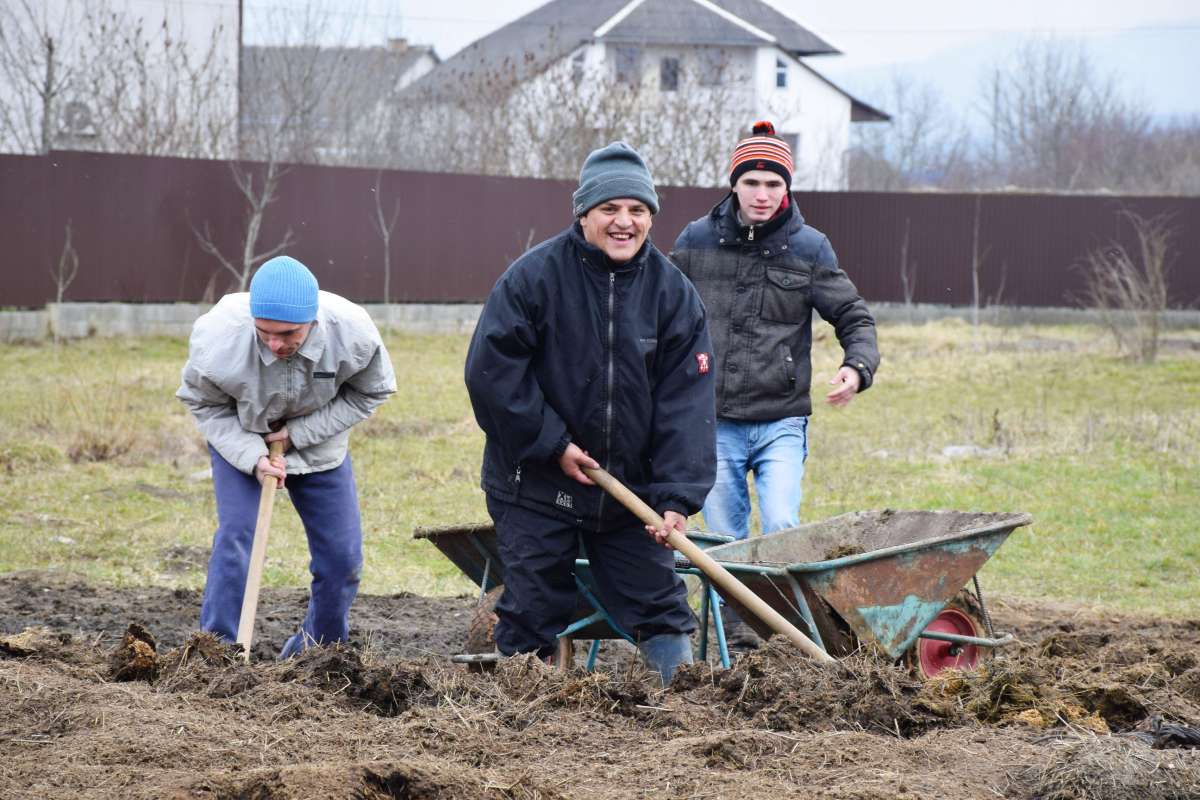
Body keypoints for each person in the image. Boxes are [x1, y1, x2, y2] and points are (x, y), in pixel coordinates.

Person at [464, 141, 716, 685]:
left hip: (629, 491)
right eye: (610, 209)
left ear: (650, 217)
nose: (624, 222)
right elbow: (492, 375)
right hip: (535, 482)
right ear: (584, 214)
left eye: (638, 210)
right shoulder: (532, 280)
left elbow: (687, 402)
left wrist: (674, 497)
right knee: (532, 609)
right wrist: (553, 444)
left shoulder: (673, 295)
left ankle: (688, 712)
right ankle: (520, 720)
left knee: (661, 607)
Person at [670, 121, 879, 648]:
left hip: (781, 418)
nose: (762, 195)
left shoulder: (808, 248)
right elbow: (661, 315)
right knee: (724, 541)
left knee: (783, 525)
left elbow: (854, 316)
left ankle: (789, 634)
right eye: (752, 183)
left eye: (774, 184)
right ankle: (734, 647)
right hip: (714, 420)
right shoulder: (695, 242)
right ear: (734, 184)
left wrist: (857, 367)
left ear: (787, 189)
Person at [178, 255, 396, 658]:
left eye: (288, 334)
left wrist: (301, 434)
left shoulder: (352, 333)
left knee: (341, 559)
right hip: (242, 440)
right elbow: (203, 404)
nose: (275, 343)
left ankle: (318, 653)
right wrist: (252, 456)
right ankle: (217, 654)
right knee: (236, 540)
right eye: (264, 333)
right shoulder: (218, 338)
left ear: (312, 320)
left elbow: (372, 391)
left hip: (318, 447)